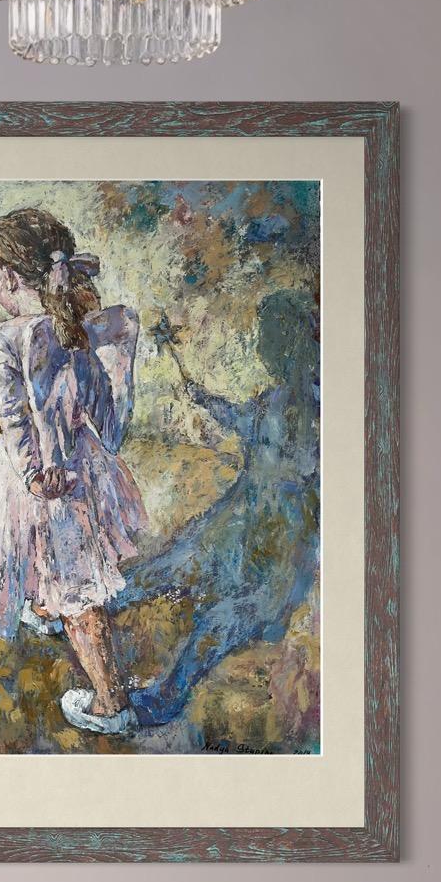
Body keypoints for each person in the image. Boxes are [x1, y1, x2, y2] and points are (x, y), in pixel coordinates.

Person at [0, 206, 144, 738]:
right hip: (83, 465)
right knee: (56, 556)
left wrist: (35, 472)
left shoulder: (5, 339)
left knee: (76, 582)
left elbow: (15, 419)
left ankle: (110, 701)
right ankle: (48, 610)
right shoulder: (86, 327)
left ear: (11, 277)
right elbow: (104, 409)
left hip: (38, 475)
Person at [131, 286, 322, 737]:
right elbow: (238, 418)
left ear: (295, 340)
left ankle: (161, 701)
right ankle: (81, 611)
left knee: (217, 622)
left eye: (270, 336)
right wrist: (197, 393)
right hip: (234, 529)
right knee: (165, 565)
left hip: (278, 554)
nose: (261, 348)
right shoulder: (271, 401)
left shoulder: (322, 412)